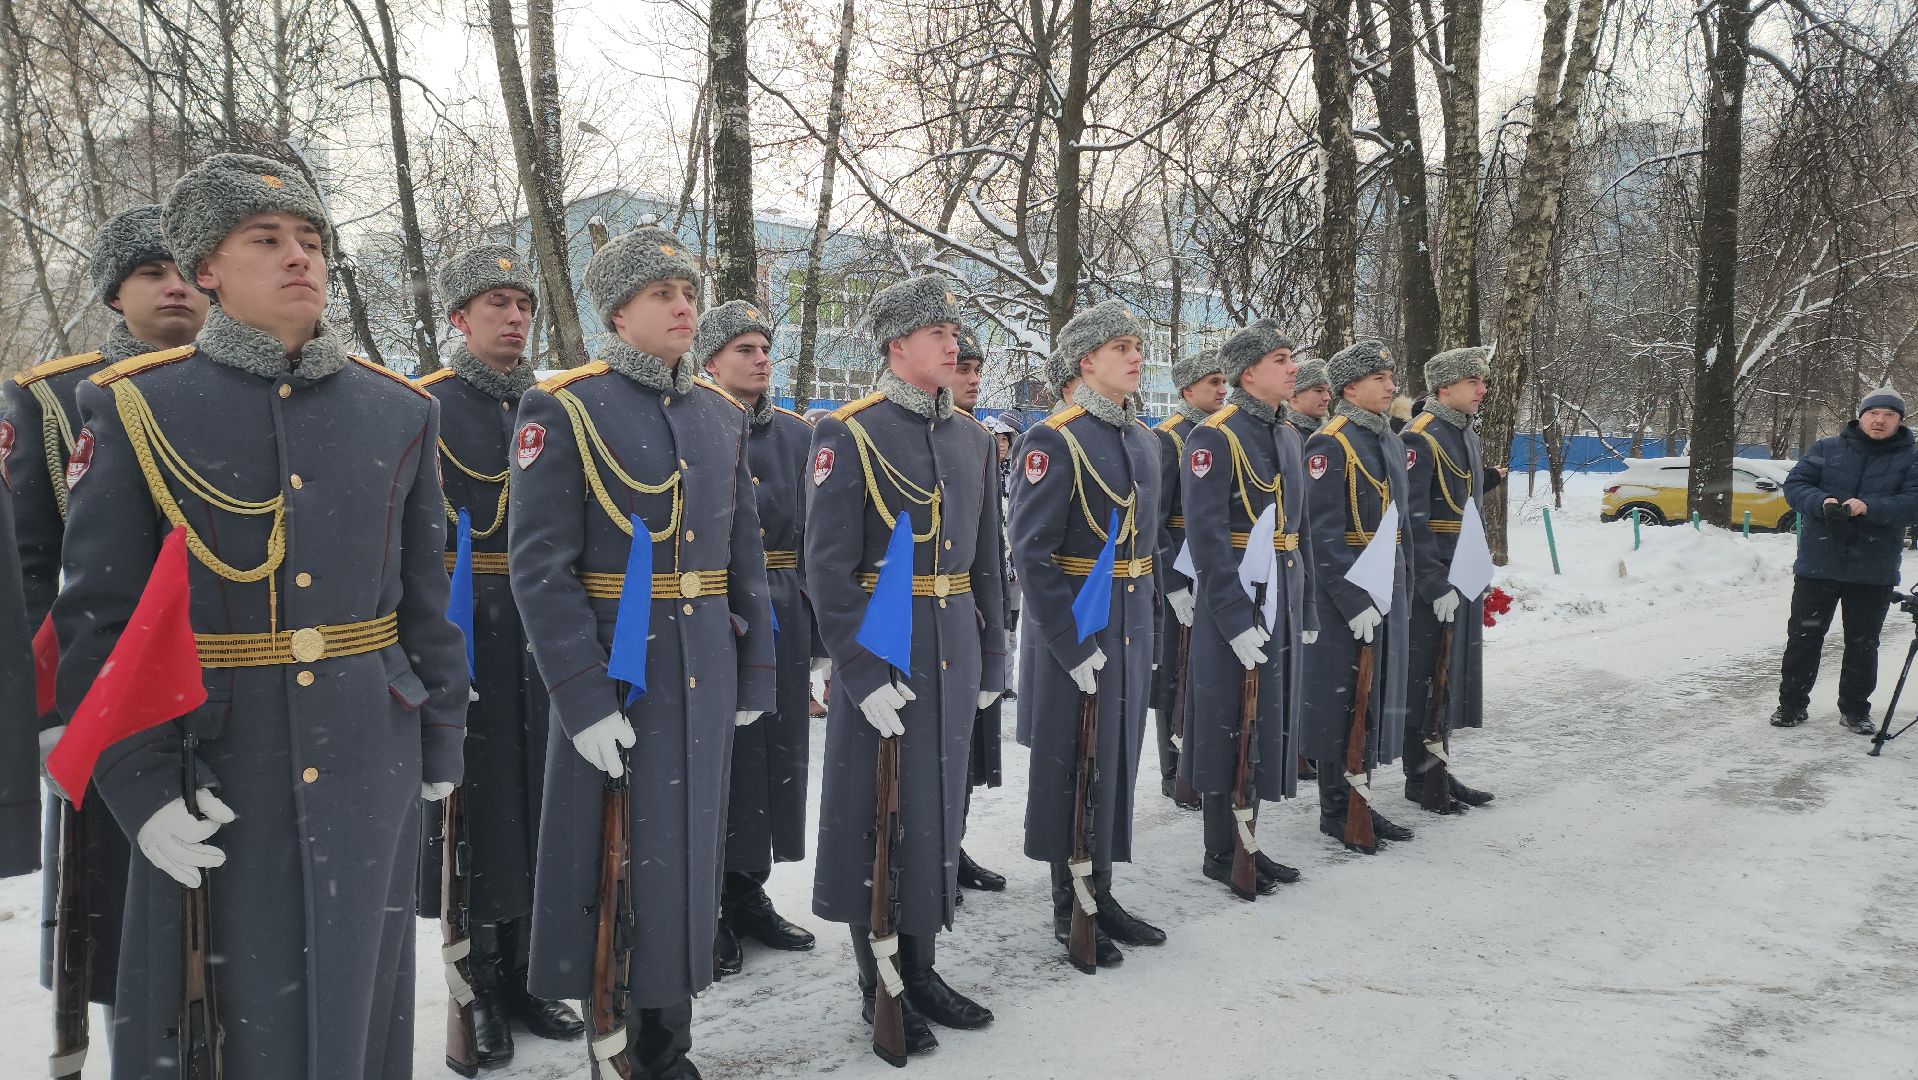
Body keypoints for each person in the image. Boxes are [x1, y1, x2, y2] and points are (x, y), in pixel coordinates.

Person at [53, 152, 470, 1078]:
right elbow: (98, 623)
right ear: (207, 267)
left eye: (311, 240)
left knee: (360, 999)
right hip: (213, 756)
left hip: (368, 748)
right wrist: (137, 781)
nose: (299, 258)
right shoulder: (137, 406)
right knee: (219, 1018)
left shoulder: (398, 410)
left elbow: (423, 599)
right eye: (266, 239)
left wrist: (440, 734)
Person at [508, 227, 775, 1079]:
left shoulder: (719, 415)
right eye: (663, 294)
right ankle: (619, 1038)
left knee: (687, 860)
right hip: (619, 675)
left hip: (705, 665)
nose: (684, 307)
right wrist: (581, 698)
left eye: (688, 292)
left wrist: (756, 670)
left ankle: (670, 1042)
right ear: (618, 312)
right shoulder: (567, 406)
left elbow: (742, 557)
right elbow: (540, 569)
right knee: (613, 862)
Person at [3, 203, 207, 1028]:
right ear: (114, 294)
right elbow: (30, 569)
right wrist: (49, 712)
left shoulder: (241, 387)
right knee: (127, 928)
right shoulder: (51, 399)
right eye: (152, 273)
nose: (176, 287)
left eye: (187, 271)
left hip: (226, 681)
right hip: (109, 688)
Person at [806, 275, 1005, 1058]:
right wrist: (859, 670)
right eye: (937, 334)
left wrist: (993, 657)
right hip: (884, 647)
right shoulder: (850, 432)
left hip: (953, 641)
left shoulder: (971, 438)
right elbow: (827, 569)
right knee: (875, 815)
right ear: (897, 345)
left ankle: (921, 970)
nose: (953, 345)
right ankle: (879, 981)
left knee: (933, 814)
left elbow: (985, 560)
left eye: (955, 333)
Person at [415, 244, 583, 1068]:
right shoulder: (425, 406)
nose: (515, 317)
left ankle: (523, 972)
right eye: (496, 304)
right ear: (459, 318)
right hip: (464, 624)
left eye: (523, 305)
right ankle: (475, 983)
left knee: (538, 800)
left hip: (540, 622)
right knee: (475, 812)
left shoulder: (555, 406)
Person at [1009, 299, 1166, 968]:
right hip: (1076, 627)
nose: (1135, 356)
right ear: (1086, 360)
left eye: (1137, 345)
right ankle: (1069, 902)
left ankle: (1100, 889)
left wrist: (1152, 625)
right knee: (1073, 765)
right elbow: (1031, 553)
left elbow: (1149, 548)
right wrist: (1071, 644)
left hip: (1130, 624)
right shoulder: (1055, 439)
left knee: (1115, 760)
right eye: (1120, 347)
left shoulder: (1143, 440)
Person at [694, 300, 820, 974]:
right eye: (744, 348)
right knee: (723, 758)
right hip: (718, 605)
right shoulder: (692, 421)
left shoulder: (800, 433)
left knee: (774, 760)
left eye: (765, 347)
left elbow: (820, 534)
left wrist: (820, 632)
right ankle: (707, 899)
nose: (761, 358)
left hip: (786, 606)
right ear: (710, 361)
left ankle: (747, 890)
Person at [1179, 325, 1315, 895]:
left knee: (1263, 719)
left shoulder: (1287, 434)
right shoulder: (1214, 437)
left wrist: (1306, 608)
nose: (1293, 369)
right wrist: (1234, 618)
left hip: (1281, 591)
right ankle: (1222, 850)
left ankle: (1249, 842)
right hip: (1234, 597)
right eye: (1280, 360)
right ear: (1248, 372)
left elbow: (1298, 530)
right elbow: (1207, 539)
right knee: (1228, 722)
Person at [1298, 340, 1416, 854]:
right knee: (1342, 700)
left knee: (1375, 696)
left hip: (1386, 583)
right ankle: (1337, 809)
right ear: (1350, 388)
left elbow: (1400, 523)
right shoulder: (1330, 444)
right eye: (1379, 379)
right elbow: (1320, 533)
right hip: (1343, 591)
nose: (1391, 387)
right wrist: (1352, 600)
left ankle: (1361, 797)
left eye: (1390, 377)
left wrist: (1406, 583)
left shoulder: (1385, 438)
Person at [1773, 385, 1918, 733]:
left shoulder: (1911, 458)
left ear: (1899, 420)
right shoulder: (1827, 448)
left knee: (1862, 643)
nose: (1879, 420)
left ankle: (1855, 710)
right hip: (1818, 565)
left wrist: (1870, 507)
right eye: (1873, 413)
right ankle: (1791, 705)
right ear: (1860, 416)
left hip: (1873, 568)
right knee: (1803, 638)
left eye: (1889, 415)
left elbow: (1913, 503)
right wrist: (1822, 501)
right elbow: (1796, 486)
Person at [1400, 347, 1503, 812]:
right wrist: (1433, 582)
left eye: (1483, 381)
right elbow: (1413, 520)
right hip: (1436, 574)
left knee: (1448, 676)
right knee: (1426, 677)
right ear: (1445, 387)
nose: (1483, 389)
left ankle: (1439, 768)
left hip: (1462, 571)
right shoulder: (1420, 436)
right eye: (1473, 382)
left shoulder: (1465, 433)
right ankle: (1421, 777)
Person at [1150, 347, 1225, 808]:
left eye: (1223, 381)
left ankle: (1200, 758)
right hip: (1178, 567)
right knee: (1174, 671)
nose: (1222, 389)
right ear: (1187, 389)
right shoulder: (1168, 438)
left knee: (1206, 670)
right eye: (1212, 382)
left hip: (1212, 565)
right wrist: (1173, 584)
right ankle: (1173, 768)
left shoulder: (1222, 433)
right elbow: (1156, 519)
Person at [950, 325, 1008, 898]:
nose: (971, 379)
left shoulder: (978, 440)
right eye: (962, 368)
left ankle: (953, 845)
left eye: (976, 371)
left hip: (967, 616)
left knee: (965, 749)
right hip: (920, 618)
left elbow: (989, 545)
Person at [1284, 358, 1330, 439]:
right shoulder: (1284, 436)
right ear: (1293, 395)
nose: (1328, 398)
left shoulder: (1330, 432)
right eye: (1319, 390)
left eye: (1328, 391)